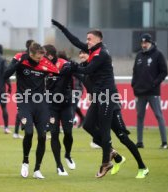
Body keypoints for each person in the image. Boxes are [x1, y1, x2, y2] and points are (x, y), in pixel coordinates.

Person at [52, 19, 118, 178]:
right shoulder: (93, 50)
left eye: (89, 39)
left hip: (107, 95)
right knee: (88, 125)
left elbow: (87, 70)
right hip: (98, 96)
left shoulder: (101, 53)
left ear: (99, 39)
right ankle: (109, 149)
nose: (86, 42)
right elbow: (75, 41)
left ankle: (105, 163)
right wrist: (62, 28)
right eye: (87, 39)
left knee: (104, 129)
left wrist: (71, 65)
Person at [77, 49, 149, 179]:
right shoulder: (83, 69)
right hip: (99, 105)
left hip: (112, 106)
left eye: (84, 53)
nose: (81, 55)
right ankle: (116, 156)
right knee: (91, 130)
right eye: (80, 53)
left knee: (123, 137)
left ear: (92, 56)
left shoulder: (99, 67)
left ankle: (142, 167)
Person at [4, 43, 59, 179]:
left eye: (43, 56)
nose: (41, 59)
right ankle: (25, 162)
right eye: (39, 56)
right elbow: (5, 74)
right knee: (28, 132)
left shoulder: (45, 62)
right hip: (24, 102)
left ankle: (37, 170)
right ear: (31, 54)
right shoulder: (20, 59)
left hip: (41, 103)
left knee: (42, 136)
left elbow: (57, 73)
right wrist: (18, 63)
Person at [132, 33, 168, 149]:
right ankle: (139, 142)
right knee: (140, 116)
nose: (144, 45)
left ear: (150, 42)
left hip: (153, 92)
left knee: (159, 115)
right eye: (142, 43)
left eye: (146, 42)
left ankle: (164, 143)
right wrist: (134, 84)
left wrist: (154, 83)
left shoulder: (158, 55)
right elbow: (135, 72)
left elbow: (164, 72)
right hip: (140, 92)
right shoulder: (139, 56)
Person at [43, 44, 75, 176]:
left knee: (68, 132)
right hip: (51, 106)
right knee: (54, 134)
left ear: (50, 55)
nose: (42, 56)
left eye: (44, 54)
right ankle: (59, 166)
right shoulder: (43, 65)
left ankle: (67, 154)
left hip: (66, 105)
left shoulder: (64, 64)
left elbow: (72, 81)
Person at [13, 39, 34, 139]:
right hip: (26, 90)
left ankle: (18, 132)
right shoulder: (24, 58)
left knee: (26, 111)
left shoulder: (30, 57)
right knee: (22, 111)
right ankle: (17, 132)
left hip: (26, 89)